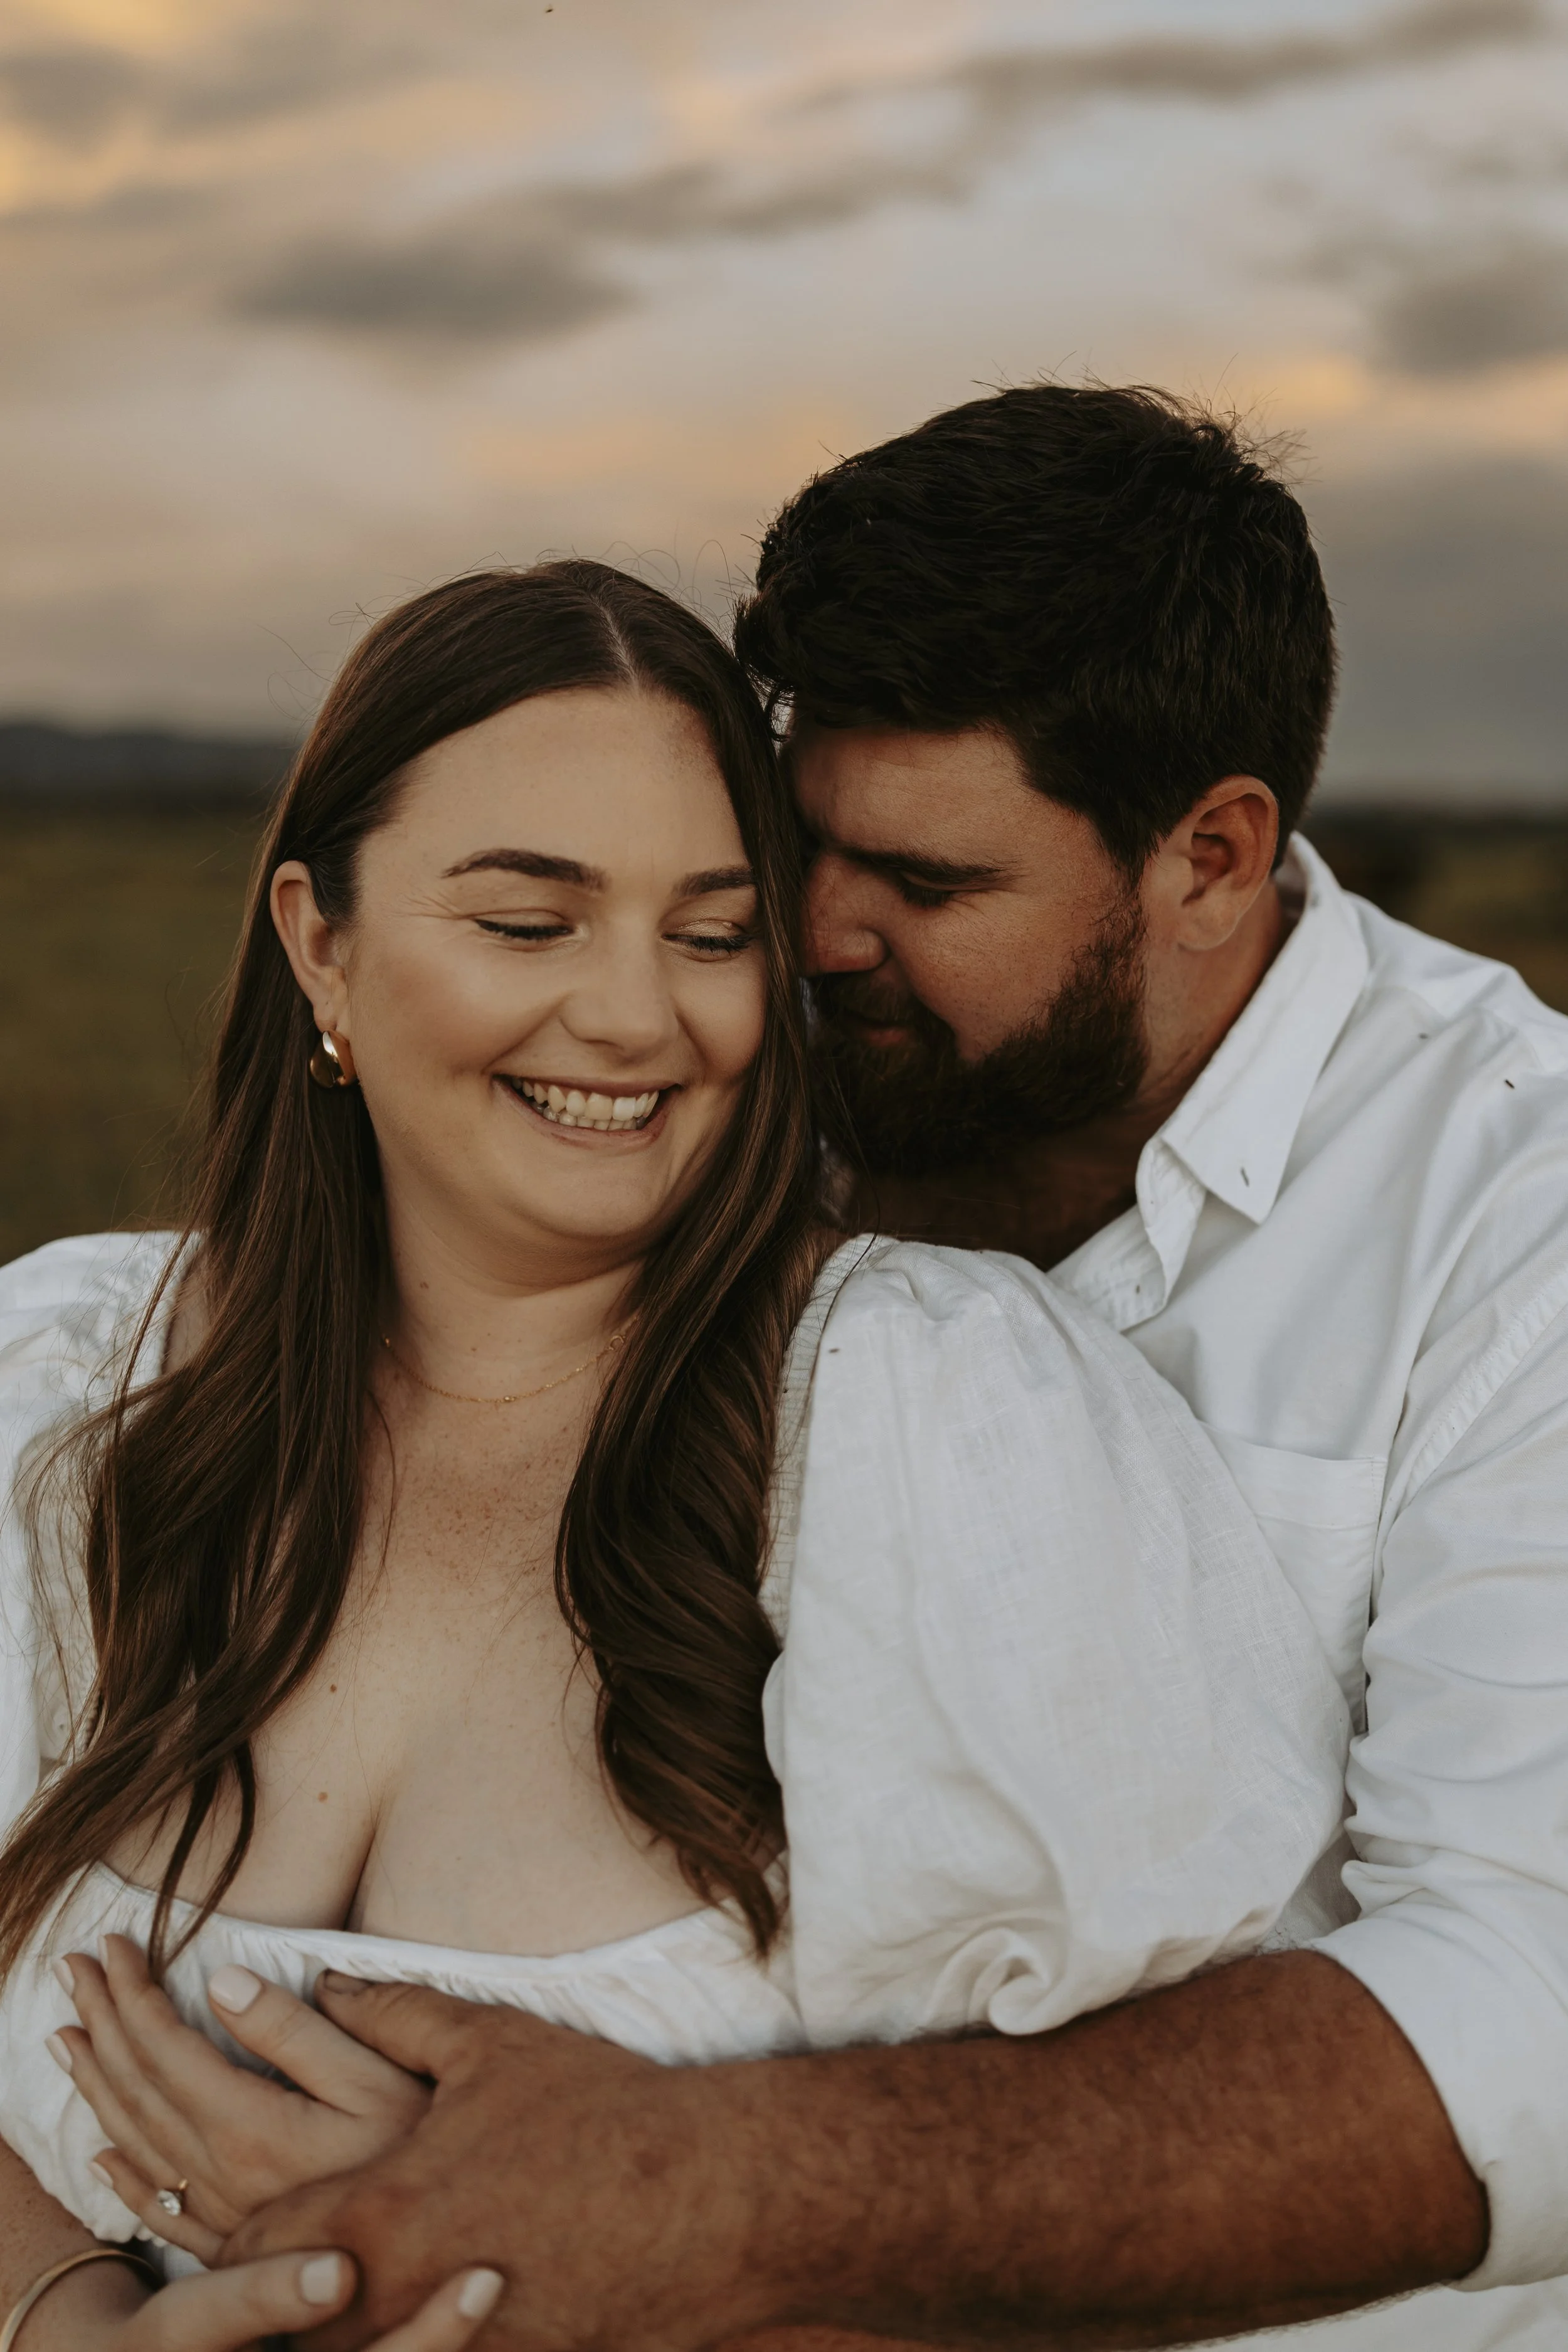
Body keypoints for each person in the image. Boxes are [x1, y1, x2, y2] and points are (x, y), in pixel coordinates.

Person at [206, 391, 1568, 2352]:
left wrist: (708, 2185)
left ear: (1210, 851)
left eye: (925, 886)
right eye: (794, 852)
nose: (814, 940)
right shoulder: (743, 1087)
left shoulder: (1512, 1222)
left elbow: (1529, 2000)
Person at [0, 558, 1345, 2352]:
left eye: (711, 933)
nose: (639, 1016)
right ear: (319, 938)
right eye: (528, 920)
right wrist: (62, 2304)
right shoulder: (70, 1380)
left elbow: (1212, 2225)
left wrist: (577, 2255)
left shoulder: (924, 1419)